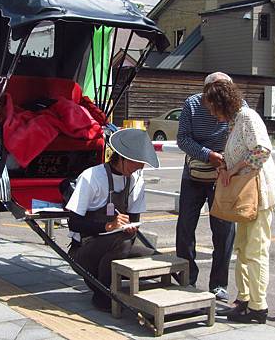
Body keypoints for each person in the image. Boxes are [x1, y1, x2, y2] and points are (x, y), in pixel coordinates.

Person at [202, 80, 275, 324]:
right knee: (243, 248)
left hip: (259, 194)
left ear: (221, 103)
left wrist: (234, 168)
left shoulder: (247, 117)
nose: (211, 112)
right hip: (247, 195)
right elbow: (244, 153)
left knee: (255, 249)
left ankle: (258, 306)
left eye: (212, 107)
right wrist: (228, 167)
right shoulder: (236, 120)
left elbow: (262, 151)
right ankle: (245, 299)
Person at [66, 128, 158, 311]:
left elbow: (134, 219)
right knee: (121, 240)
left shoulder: (136, 180)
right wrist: (108, 226)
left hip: (118, 246)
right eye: (137, 162)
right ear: (122, 158)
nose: (141, 167)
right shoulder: (92, 177)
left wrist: (131, 228)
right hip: (85, 249)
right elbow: (74, 222)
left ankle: (155, 301)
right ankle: (103, 295)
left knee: (157, 260)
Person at [176, 72, 237, 302]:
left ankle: (219, 283)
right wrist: (207, 154)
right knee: (185, 226)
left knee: (224, 230)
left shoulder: (236, 106)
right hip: (193, 173)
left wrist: (225, 159)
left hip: (223, 175)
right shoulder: (191, 104)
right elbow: (183, 138)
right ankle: (186, 277)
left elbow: (242, 136)